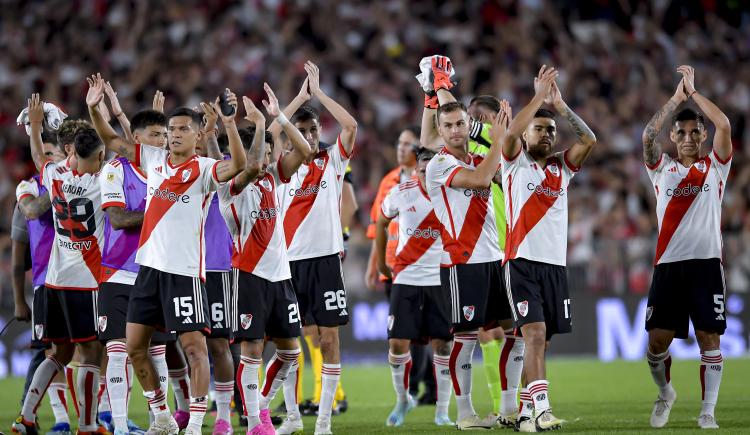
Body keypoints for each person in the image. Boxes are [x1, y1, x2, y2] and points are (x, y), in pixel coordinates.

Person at [87, 72, 246, 435]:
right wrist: (94, 108)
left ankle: (195, 422)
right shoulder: (153, 160)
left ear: (196, 135)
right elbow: (112, 138)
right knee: (134, 348)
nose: (173, 134)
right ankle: (161, 415)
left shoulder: (204, 170)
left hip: (185, 272)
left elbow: (239, 165)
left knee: (194, 349)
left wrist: (229, 124)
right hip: (148, 271)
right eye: (170, 129)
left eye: (181, 129)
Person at [421, 56, 523, 424]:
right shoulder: (440, 165)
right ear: (440, 131)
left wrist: (439, 85)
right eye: (447, 125)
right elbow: (481, 180)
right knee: (464, 339)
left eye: (461, 123)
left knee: (515, 332)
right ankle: (464, 413)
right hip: (463, 262)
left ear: (468, 123)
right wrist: (497, 141)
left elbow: (490, 169)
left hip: (493, 257)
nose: (455, 130)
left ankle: (510, 406)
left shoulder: (472, 152)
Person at [501, 65, 597, 431]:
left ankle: (526, 414)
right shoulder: (513, 163)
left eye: (551, 131)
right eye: (539, 129)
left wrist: (562, 108)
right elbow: (509, 133)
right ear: (526, 135)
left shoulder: (561, 168)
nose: (547, 134)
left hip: (555, 266)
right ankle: (541, 408)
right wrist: (539, 97)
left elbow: (589, 140)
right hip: (521, 262)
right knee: (535, 335)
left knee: (542, 342)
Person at [217, 84, 312, 435]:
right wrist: (259, 126)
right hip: (249, 274)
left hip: (280, 276)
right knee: (252, 350)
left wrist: (279, 117)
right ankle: (256, 422)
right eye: (265, 148)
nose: (270, 155)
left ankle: (261, 408)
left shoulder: (275, 178)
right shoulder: (231, 185)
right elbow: (253, 164)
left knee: (291, 353)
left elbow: (304, 148)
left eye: (272, 150)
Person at [641, 65, 731, 430]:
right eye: (682, 132)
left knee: (709, 338)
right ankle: (666, 393)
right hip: (669, 267)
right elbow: (648, 135)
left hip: (706, 265)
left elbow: (724, 125)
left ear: (703, 135)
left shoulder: (716, 168)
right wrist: (676, 99)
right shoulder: (661, 168)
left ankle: (707, 411)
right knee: (656, 344)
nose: (690, 137)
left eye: (696, 131)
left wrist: (693, 94)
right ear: (674, 138)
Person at [12, 94, 109, 435]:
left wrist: (35, 125)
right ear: (97, 156)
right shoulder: (100, 183)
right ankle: (86, 425)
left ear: (69, 153)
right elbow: (108, 149)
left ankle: (25, 418)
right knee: (91, 354)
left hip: (54, 280)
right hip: (86, 282)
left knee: (58, 353)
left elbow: (39, 156)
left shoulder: (54, 175)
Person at [269, 61, 357, 435]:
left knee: (328, 338)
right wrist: (293, 103)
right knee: (290, 345)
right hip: (287, 264)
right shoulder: (283, 166)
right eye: (301, 130)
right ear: (291, 136)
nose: (308, 135)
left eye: (313, 128)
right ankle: (291, 416)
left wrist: (318, 94)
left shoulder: (332, 160)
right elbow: (271, 129)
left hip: (325, 261)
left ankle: (323, 421)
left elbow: (351, 126)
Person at [96, 105, 180, 434]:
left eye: (165, 135)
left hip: (157, 272)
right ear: (137, 139)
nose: (163, 141)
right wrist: (160, 210)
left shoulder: (169, 172)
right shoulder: (115, 170)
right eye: (156, 135)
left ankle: (158, 423)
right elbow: (117, 219)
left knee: (157, 355)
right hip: (118, 273)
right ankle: (119, 428)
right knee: (119, 354)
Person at [375, 146, 453, 427]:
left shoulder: (451, 193)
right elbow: (381, 223)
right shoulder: (400, 192)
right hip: (406, 278)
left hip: (439, 278)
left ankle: (442, 411)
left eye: (431, 168)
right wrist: (383, 266)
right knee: (397, 343)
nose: (426, 172)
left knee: (443, 345)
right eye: (422, 167)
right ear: (416, 168)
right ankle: (402, 399)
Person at [12, 133, 73, 435]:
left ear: (66, 155)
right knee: (54, 351)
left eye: (55, 154)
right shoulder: (29, 189)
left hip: (85, 277)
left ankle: (99, 417)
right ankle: (60, 418)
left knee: (92, 351)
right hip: (47, 282)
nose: (49, 160)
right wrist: (19, 299)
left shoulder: (80, 184)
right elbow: (31, 215)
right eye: (44, 154)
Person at [193, 99, 236, 435]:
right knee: (185, 344)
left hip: (219, 266)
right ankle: (185, 410)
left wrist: (213, 132)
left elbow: (230, 162)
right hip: (183, 268)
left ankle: (223, 416)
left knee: (219, 344)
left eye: (195, 131)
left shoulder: (219, 169)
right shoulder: (168, 170)